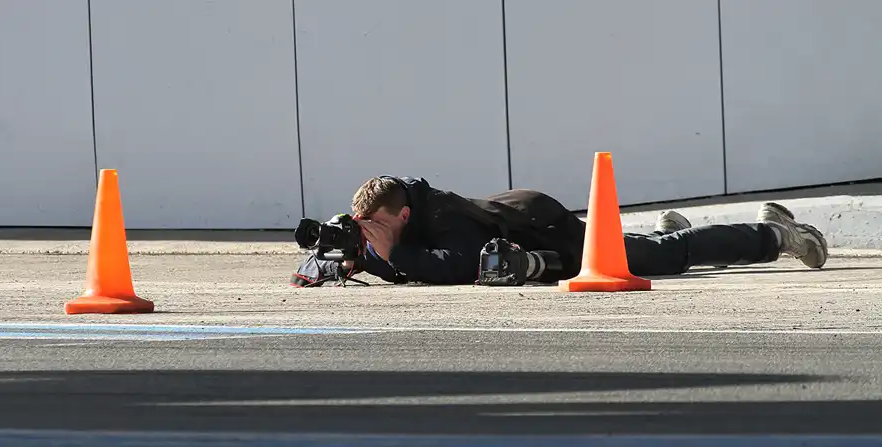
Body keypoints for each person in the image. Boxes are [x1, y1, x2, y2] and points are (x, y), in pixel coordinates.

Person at [290, 175, 828, 287]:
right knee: (651, 246)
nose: (369, 234)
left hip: (549, 236)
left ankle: (774, 234)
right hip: (531, 235)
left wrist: (390, 257)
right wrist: (337, 258)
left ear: (403, 216)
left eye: (376, 226)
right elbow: (320, 261)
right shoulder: (389, 224)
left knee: (663, 258)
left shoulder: (442, 219)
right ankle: (666, 227)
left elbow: (459, 267)